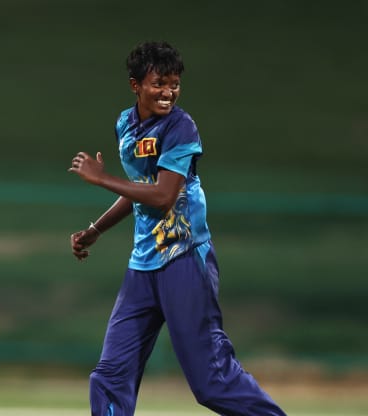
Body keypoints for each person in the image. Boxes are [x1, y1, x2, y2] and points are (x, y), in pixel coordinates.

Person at [69, 41, 287, 416]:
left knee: (211, 382)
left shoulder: (180, 127)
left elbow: (163, 195)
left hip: (184, 259)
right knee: (110, 374)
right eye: (159, 84)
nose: (168, 92)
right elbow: (141, 188)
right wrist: (96, 230)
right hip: (143, 265)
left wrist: (102, 180)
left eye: (174, 84)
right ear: (135, 85)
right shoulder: (126, 123)